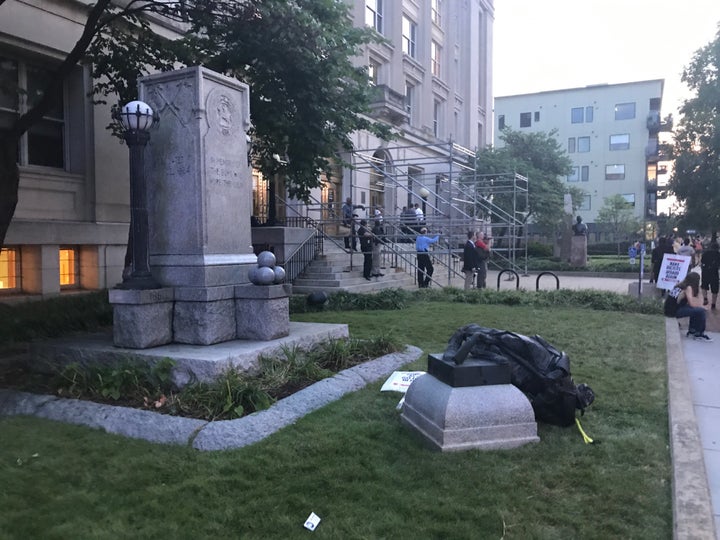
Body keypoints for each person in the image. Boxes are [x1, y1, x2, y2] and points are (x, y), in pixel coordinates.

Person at [665, 272, 713, 341]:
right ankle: (699, 333)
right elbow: (691, 303)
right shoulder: (688, 288)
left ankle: (692, 330)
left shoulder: (680, 285)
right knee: (701, 311)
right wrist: (702, 307)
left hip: (669, 309)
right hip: (674, 311)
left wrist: (699, 304)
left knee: (696, 309)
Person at [700, 240, 720, 309]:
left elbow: (702, 262)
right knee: (715, 289)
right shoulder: (718, 254)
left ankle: (705, 298)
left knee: (704, 286)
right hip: (714, 272)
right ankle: (713, 304)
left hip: (705, 271)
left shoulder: (705, 253)